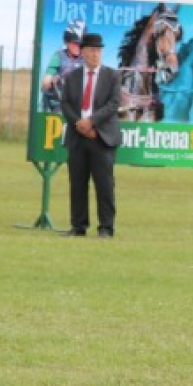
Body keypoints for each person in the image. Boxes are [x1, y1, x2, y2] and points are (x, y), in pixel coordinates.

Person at [59, 33, 123, 238]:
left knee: (104, 184)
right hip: (78, 137)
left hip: (101, 137)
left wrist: (92, 122)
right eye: (92, 50)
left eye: (99, 50)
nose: (96, 54)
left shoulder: (112, 76)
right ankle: (78, 226)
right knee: (77, 184)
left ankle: (106, 227)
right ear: (84, 52)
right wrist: (79, 124)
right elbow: (65, 103)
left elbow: (113, 104)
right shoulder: (72, 77)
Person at [41, 19, 85, 112]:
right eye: (74, 43)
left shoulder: (87, 59)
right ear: (67, 42)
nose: (78, 47)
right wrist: (51, 81)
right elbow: (46, 81)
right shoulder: (58, 56)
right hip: (59, 102)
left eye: (80, 44)